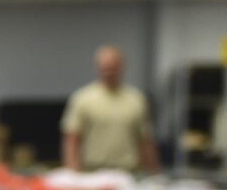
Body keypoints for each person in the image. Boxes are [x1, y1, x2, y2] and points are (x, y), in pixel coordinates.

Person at [61, 46, 159, 174]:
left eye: (113, 67)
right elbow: (72, 139)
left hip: (129, 172)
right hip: (92, 172)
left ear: (122, 67)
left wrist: (154, 174)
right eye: (105, 67)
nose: (109, 72)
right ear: (97, 67)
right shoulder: (82, 98)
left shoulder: (137, 99)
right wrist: (72, 174)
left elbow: (145, 141)